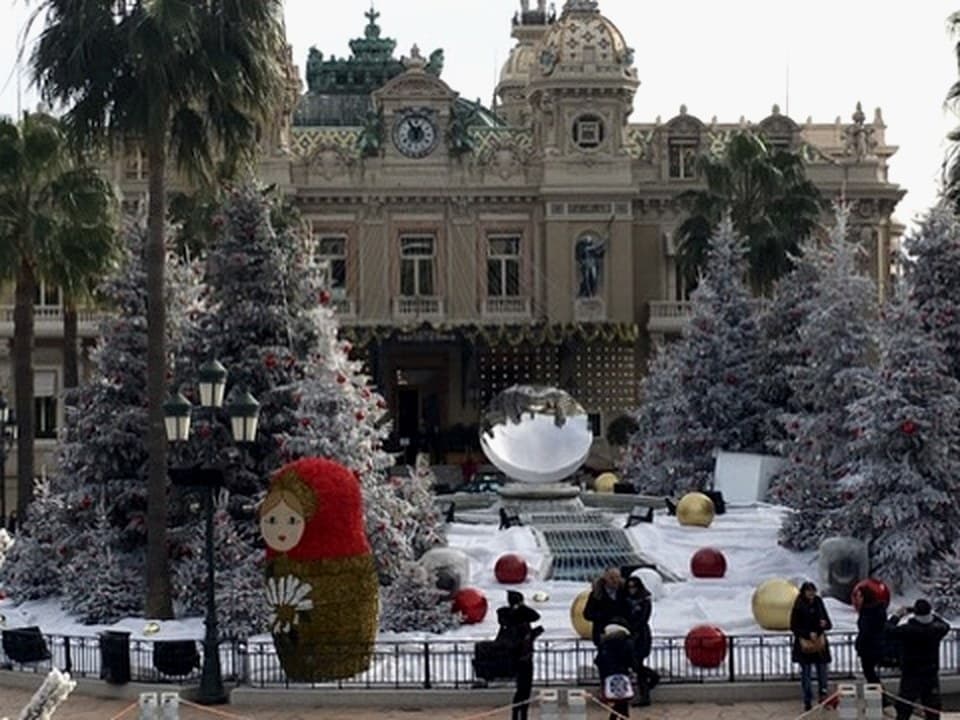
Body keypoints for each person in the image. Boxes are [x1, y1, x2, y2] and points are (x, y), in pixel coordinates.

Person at [890, 599, 949, 720]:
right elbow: (946, 625)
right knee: (932, 708)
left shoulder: (908, 630)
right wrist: (932, 615)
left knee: (904, 708)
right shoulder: (936, 630)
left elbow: (888, 629)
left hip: (911, 674)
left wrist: (898, 615)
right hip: (930, 674)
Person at [496, 591, 543, 720]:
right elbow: (535, 616)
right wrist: (520, 607)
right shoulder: (516, 616)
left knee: (522, 690)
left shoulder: (510, 615)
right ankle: (519, 716)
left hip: (518, 656)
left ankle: (519, 715)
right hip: (522, 657)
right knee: (523, 690)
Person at [790, 581, 833, 711]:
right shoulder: (798, 605)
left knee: (822, 672)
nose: (811, 594)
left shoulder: (819, 602)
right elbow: (794, 626)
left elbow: (828, 623)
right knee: (806, 674)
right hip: (805, 645)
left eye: (813, 591)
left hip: (819, 644)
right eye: (809, 591)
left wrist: (824, 625)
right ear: (803, 592)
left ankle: (823, 695)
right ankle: (807, 700)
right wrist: (807, 634)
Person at [624, 575, 653, 706]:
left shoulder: (644, 601)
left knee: (638, 665)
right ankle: (652, 678)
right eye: (629, 587)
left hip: (641, 636)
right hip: (631, 635)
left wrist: (633, 628)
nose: (631, 589)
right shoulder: (626, 600)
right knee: (635, 665)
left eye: (634, 587)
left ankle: (645, 696)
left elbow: (643, 619)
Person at [595, 620, 634, 720]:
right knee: (622, 700)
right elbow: (630, 659)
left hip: (609, 674)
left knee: (618, 700)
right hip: (622, 673)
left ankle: (617, 717)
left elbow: (599, 661)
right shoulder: (626, 643)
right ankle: (620, 717)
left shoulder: (604, 644)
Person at [584, 567, 629, 647]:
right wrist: (603, 616)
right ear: (605, 578)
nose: (615, 581)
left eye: (617, 577)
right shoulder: (596, 594)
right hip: (603, 635)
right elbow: (587, 614)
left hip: (623, 634)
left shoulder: (626, 592)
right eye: (611, 578)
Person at [854, 584, 888, 684]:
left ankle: (879, 694)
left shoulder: (868, 612)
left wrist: (859, 644)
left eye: (860, 596)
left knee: (869, 672)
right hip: (872, 646)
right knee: (869, 672)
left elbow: (866, 631)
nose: (857, 599)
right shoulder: (874, 610)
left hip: (870, 647)